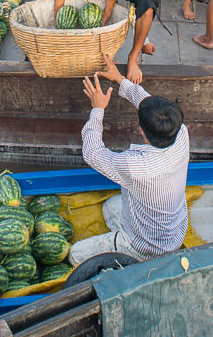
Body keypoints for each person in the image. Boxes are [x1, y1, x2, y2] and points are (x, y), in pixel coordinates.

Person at [70, 54, 189, 266]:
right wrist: (119, 79)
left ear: (142, 132)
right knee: (109, 207)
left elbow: (92, 153)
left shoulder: (135, 166)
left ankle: (133, 256)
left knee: (74, 255)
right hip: (175, 231)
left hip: (145, 245)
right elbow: (147, 103)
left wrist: (97, 109)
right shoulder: (181, 133)